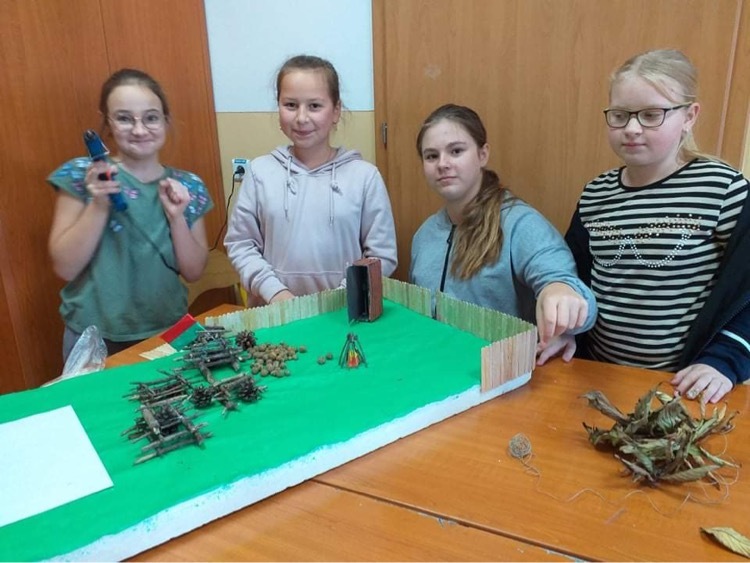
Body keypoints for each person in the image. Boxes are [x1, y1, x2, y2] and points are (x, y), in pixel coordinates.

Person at [559, 49, 750, 403]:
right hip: (598, 378)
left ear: (689, 116)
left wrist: (726, 360)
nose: (631, 129)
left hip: (681, 388)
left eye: (651, 115)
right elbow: (574, 278)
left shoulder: (724, 189)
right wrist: (566, 329)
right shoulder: (595, 194)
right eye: (620, 115)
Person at [48, 68, 213, 361]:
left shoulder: (188, 185)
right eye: (124, 118)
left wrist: (177, 217)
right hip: (92, 336)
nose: (139, 130)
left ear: (165, 121)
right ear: (108, 124)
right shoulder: (82, 176)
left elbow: (193, 271)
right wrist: (99, 204)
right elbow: (65, 267)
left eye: (151, 118)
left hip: (168, 330)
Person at [410, 104, 597, 356]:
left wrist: (559, 291)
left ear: (482, 155)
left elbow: (568, 288)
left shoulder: (520, 224)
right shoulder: (424, 235)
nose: (443, 164)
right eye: (431, 156)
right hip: (435, 366)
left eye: (456, 151)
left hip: (502, 370)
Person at [224, 55, 397, 306]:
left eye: (315, 106)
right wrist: (275, 293)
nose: (302, 117)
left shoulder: (365, 177)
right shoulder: (259, 172)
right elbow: (241, 244)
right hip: (276, 313)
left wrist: (344, 296)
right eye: (290, 105)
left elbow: (382, 255)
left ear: (336, 110)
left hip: (342, 313)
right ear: (278, 106)